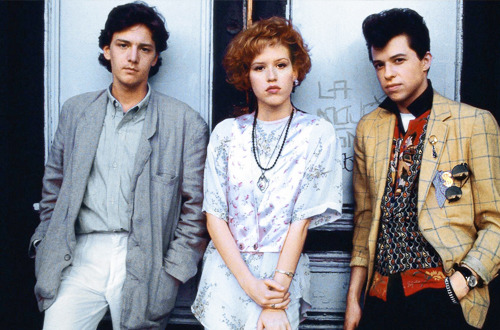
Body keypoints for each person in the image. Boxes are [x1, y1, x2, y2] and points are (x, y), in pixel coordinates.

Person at [29, 2, 208, 329]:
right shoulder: (76, 112)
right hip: (78, 254)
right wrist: (45, 244)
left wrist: (173, 273)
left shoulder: (186, 123)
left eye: (144, 48)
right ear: (107, 49)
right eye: (123, 45)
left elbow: (195, 209)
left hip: (145, 258)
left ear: (155, 58)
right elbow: (53, 189)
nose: (133, 56)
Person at [344, 8, 500, 330]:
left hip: (443, 295)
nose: (388, 74)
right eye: (380, 65)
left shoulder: (473, 123)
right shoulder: (368, 129)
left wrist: (462, 281)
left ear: (425, 60)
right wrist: (353, 302)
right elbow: (363, 221)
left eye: (398, 61)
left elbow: (496, 221)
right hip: (380, 298)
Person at [192, 16, 343, 330]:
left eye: (282, 65)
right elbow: (215, 216)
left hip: (281, 275)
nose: (272, 76)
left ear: (296, 71)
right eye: (259, 68)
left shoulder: (318, 133)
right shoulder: (226, 134)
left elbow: (301, 223)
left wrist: (274, 299)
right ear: (246, 76)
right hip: (228, 272)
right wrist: (250, 286)